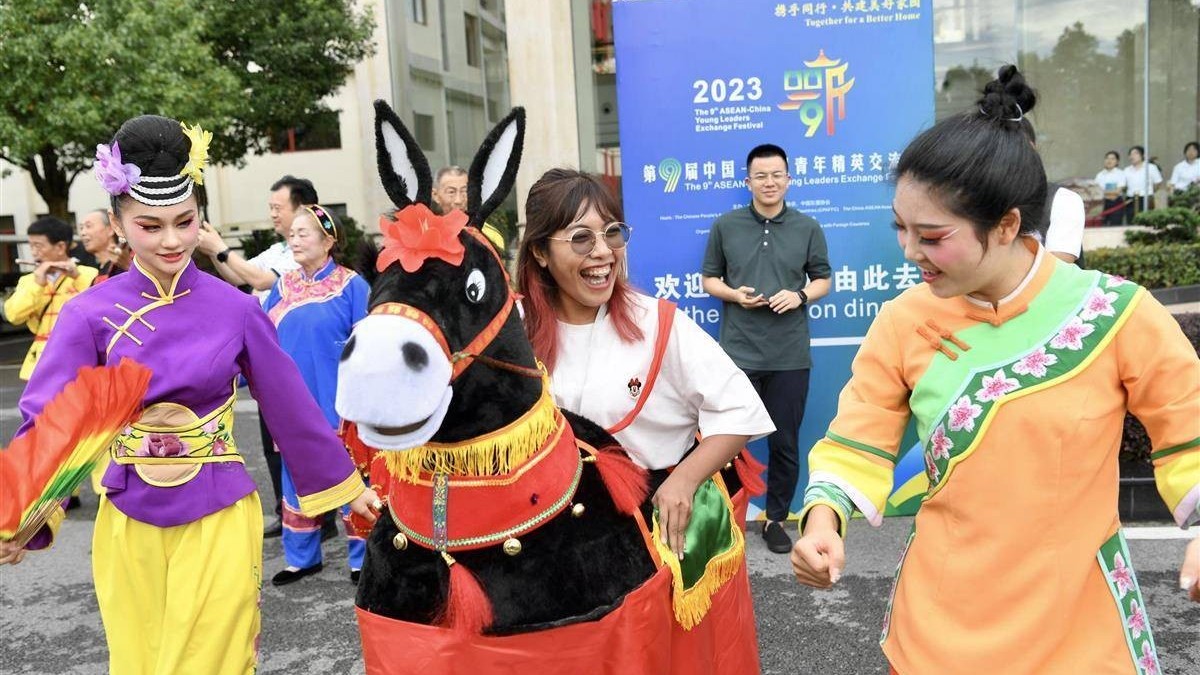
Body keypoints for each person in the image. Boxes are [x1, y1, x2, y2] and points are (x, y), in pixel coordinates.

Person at [790, 66, 1199, 675]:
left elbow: (1187, 430)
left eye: (931, 236)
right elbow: (859, 436)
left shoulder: (1115, 313)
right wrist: (824, 517)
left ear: (1007, 225)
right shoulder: (905, 319)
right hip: (940, 624)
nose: (909, 252)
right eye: (901, 229)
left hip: (1077, 625)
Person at [0, 115, 378, 674]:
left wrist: (351, 492)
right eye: (150, 226)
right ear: (119, 224)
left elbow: (292, 411)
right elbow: (50, 418)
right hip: (128, 520)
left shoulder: (237, 308)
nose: (172, 240)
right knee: (141, 663)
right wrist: (18, 513)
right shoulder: (89, 313)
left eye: (184, 221)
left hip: (219, 512)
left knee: (210, 664)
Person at [517, 167, 774, 665]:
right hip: (558, 541)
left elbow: (740, 410)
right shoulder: (515, 330)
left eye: (612, 233)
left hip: (651, 535)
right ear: (541, 254)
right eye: (581, 237)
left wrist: (683, 479)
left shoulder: (657, 321)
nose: (602, 253)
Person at [700, 143, 832, 554]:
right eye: (761, 175)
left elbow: (823, 280)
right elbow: (709, 280)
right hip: (738, 352)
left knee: (785, 441)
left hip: (789, 355)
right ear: (748, 181)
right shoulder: (726, 225)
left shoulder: (808, 227)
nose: (769, 182)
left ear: (789, 179)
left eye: (777, 175)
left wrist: (801, 296)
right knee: (723, 439)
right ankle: (720, 518)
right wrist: (735, 295)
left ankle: (775, 519)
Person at [196, 175, 321, 537]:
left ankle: (322, 513)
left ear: (302, 209)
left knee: (307, 436)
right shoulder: (277, 250)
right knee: (272, 441)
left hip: (298, 358)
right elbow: (239, 277)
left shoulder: (305, 252)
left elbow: (266, 281)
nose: (273, 216)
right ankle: (289, 512)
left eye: (276, 208)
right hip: (268, 356)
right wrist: (213, 252)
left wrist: (221, 248)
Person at [263, 204, 370, 586]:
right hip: (292, 401)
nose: (293, 239)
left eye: (302, 233)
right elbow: (263, 337)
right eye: (291, 233)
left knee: (352, 475)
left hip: (338, 401)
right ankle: (302, 557)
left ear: (328, 240)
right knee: (296, 478)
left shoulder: (351, 285)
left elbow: (369, 343)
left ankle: (362, 558)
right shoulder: (283, 284)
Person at [3, 216, 99, 380]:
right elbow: (13, 316)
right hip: (41, 360)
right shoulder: (29, 280)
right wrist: (37, 284)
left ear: (61, 246)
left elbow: (96, 308)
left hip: (77, 358)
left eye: (38, 246)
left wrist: (76, 277)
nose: (33, 252)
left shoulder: (88, 274)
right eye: (31, 246)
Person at [433, 164, 506, 253]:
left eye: (464, 191)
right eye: (451, 192)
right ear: (435, 195)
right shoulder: (427, 232)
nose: (458, 200)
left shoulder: (490, 235)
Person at [1124, 145, 1162, 220]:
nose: (1132, 156)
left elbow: (1158, 183)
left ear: (1142, 155)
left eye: (1135, 154)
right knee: (1131, 221)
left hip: (1146, 198)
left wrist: (1151, 191)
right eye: (1130, 154)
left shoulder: (1151, 167)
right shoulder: (1126, 170)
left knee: (1146, 221)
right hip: (1130, 199)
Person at [1095, 150, 1128, 225]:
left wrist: (1103, 191)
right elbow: (1095, 192)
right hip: (1102, 204)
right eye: (1107, 158)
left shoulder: (1121, 174)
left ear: (1117, 162)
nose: (1109, 161)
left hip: (1116, 203)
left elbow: (1117, 192)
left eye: (1112, 159)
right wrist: (1109, 192)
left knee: (1115, 226)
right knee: (1101, 226)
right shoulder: (1099, 175)